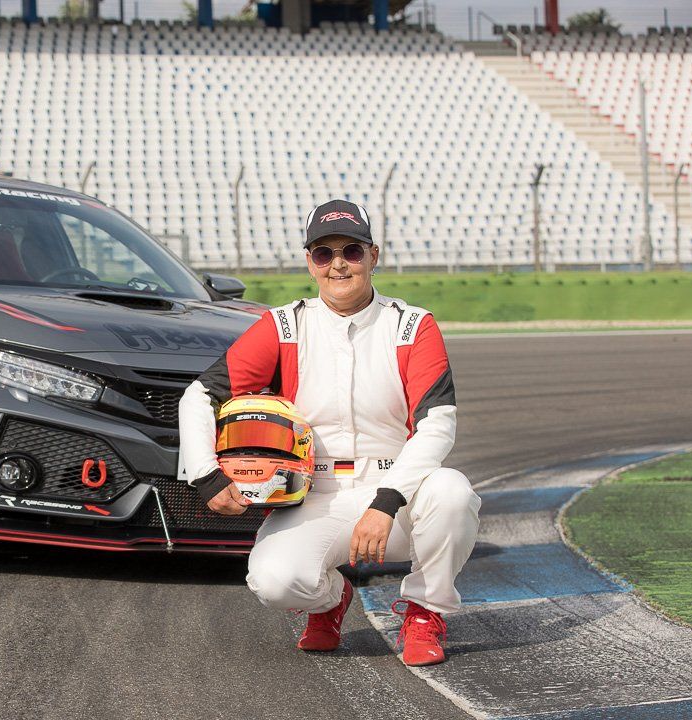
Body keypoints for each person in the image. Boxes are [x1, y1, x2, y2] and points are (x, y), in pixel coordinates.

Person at [178, 199, 481, 666]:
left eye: (351, 251)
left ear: (373, 256)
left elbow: (437, 423)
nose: (338, 264)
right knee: (274, 581)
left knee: (453, 493)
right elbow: (199, 396)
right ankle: (330, 600)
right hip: (315, 492)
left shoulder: (412, 325)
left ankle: (425, 612)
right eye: (324, 253)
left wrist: (386, 500)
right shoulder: (283, 325)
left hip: (398, 492)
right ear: (310, 262)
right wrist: (205, 476)